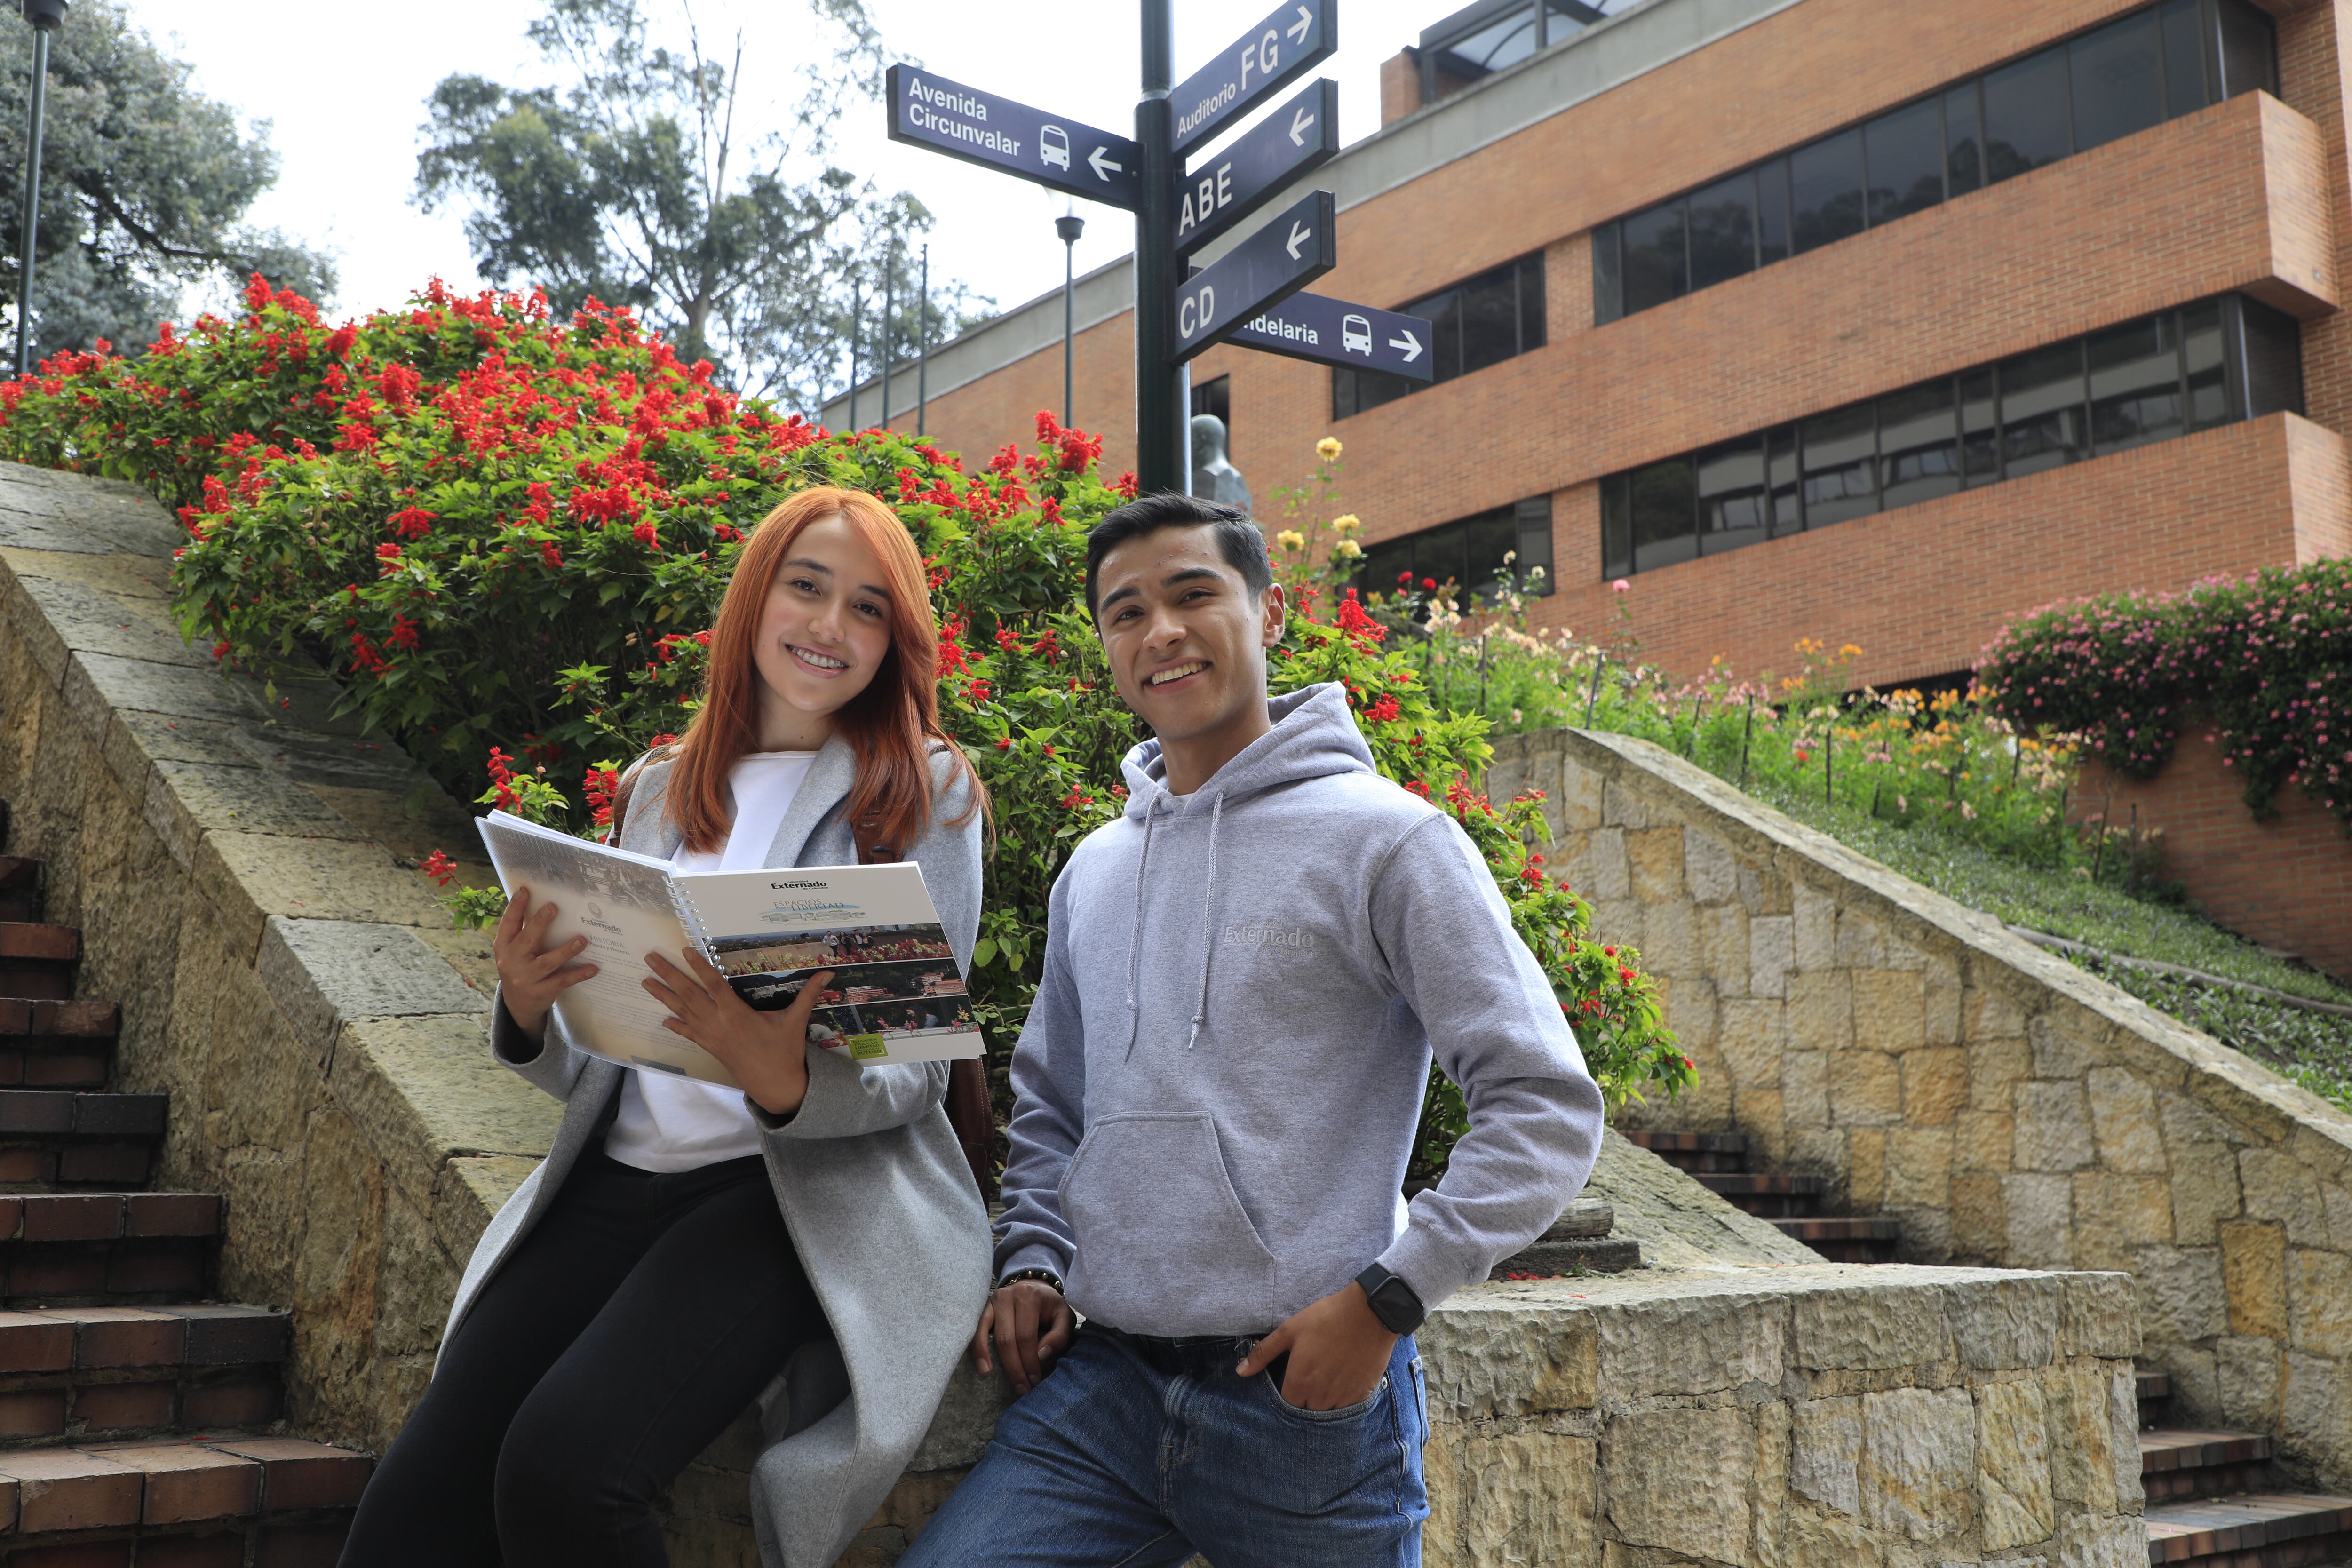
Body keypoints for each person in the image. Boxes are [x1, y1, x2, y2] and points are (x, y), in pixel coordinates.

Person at [902, 493, 1605, 1567]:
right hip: (1104, 1389)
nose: (1161, 631)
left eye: (1194, 594)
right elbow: (1052, 1103)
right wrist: (1035, 1260)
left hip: (1298, 1399)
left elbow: (1544, 1104)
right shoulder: (1095, 868)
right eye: (1124, 612)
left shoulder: (1390, 839)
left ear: (1267, 612)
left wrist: (1388, 1297)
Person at [339, 486, 991, 1568]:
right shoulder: (657, 788)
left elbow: (916, 1075)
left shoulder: (920, 793)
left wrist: (779, 1077)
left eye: (870, 608)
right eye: (808, 587)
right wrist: (530, 1003)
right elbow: (613, 1049)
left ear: (897, 639)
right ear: (756, 598)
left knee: (563, 1471)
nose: (831, 627)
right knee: (409, 1514)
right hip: (614, 1180)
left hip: (782, 1196)